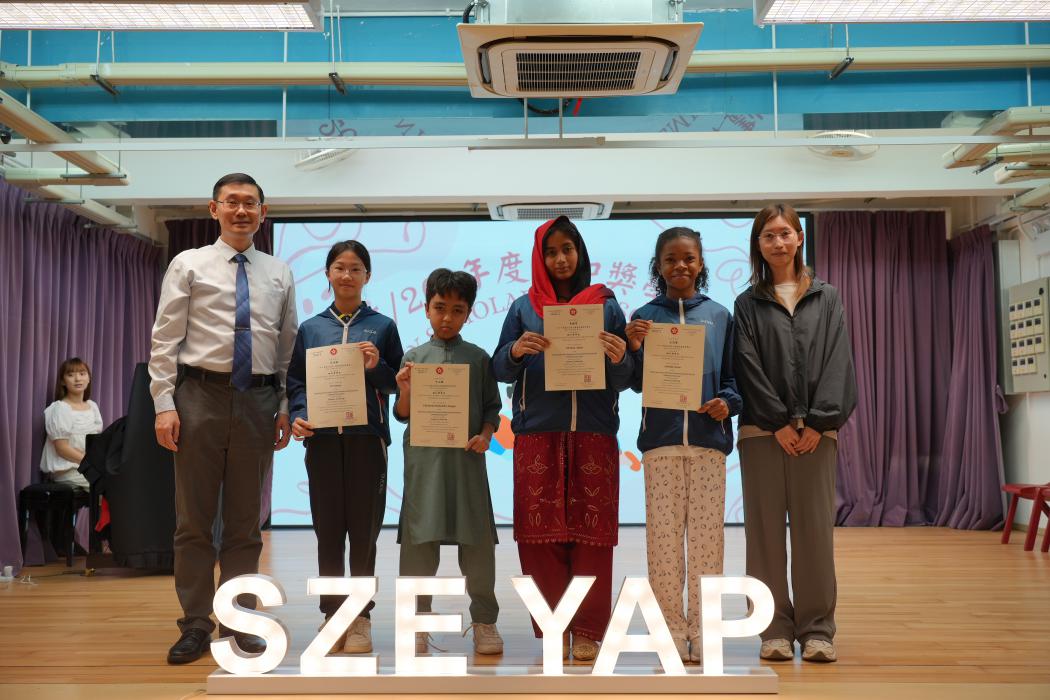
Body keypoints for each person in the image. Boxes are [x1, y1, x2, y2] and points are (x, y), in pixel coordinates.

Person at [149, 172, 298, 664]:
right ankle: (195, 623)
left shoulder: (278, 271)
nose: (241, 211)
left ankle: (239, 621)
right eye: (231, 202)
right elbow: (165, 339)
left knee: (244, 524)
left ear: (263, 213)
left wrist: (283, 405)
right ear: (214, 210)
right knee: (193, 521)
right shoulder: (188, 263)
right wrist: (164, 404)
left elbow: (286, 346)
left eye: (250, 203)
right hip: (199, 397)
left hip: (258, 402)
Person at [492, 216, 632, 661]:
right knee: (539, 536)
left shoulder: (606, 306)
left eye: (567, 249)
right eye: (550, 252)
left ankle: (588, 630)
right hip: (537, 433)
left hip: (594, 432)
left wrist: (621, 358)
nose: (560, 259)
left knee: (593, 535)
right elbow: (499, 367)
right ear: (540, 258)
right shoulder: (523, 308)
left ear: (580, 252)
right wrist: (516, 351)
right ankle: (555, 626)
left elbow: (628, 379)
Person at [733, 203, 856, 664]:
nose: (778, 242)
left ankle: (818, 630)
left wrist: (819, 423)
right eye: (768, 235)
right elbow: (746, 367)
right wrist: (778, 423)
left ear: (799, 237)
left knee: (815, 534)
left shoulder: (828, 297)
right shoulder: (747, 304)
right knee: (764, 536)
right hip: (762, 435)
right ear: (758, 244)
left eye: (785, 233)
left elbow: (839, 361)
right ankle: (773, 631)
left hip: (817, 435)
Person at [624, 227, 741, 663]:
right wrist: (634, 346)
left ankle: (705, 632)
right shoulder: (642, 316)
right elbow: (635, 382)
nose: (680, 266)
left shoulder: (720, 316)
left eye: (689, 258)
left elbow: (733, 380)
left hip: (709, 443)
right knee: (664, 545)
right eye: (671, 259)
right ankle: (670, 633)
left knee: (708, 544)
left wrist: (727, 404)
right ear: (658, 266)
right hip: (661, 444)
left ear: (701, 263)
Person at [287, 240, 403, 654]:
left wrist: (377, 366)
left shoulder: (383, 326)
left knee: (364, 533)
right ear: (328, 274)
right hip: (321, 442)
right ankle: (333, 614)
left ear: (367, 276)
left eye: (355, 269)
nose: (347, 275)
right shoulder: (311, 328)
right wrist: (299, 413)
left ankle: (361, 617)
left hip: (367, 441)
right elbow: (296, 382)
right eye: (339, 267)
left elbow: (396, 383)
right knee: (329, 532)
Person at [394, 268, 504, 656]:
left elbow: (492, 409)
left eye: (457, 310)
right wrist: (405, 389)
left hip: (467, 463)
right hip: (425, 465)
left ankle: (485, 621)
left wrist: (485, 435)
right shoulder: (414, 358)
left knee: (477, 543)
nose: (447, 317)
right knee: (419, 542)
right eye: (440, 307)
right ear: (426, 309)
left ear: (468, 314)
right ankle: (417, 622)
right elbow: (402, 414)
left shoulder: (479, 358)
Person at [41, 357, 104, 492]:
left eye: (82, 374)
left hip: (88, 467)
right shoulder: (60, 408)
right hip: (68, 471)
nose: (77, 379)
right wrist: (91, 462)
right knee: (111, 483)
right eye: (71, 375)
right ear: (63, 381)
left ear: (89, 378)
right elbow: (62, 449)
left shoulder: (93, 406)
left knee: (122, 478)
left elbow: (96, 443)